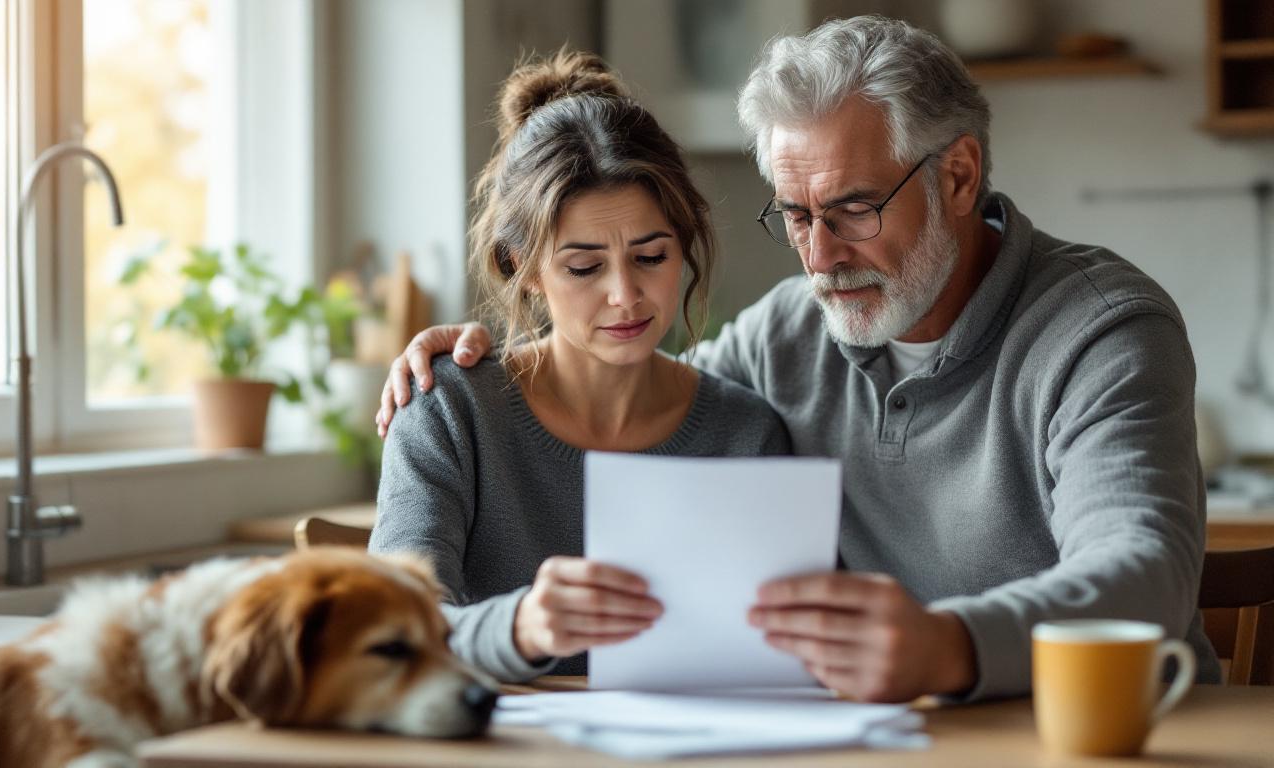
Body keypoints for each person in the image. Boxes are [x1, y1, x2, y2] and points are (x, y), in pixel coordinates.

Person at [377, 16, 1222, 702]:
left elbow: (1141, 573)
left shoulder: (1101, 329)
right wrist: (470, 361)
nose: (820, 257)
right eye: (795, 215)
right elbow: (629, 378)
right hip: (904, 737)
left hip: (1117, 734)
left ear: (960, 177)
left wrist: (948, 647)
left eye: (853, 209)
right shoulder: (791, 334)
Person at [368, 50, 791, 683]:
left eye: (652, 257)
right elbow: (392, 626)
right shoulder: (449, 410)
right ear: (524, 269)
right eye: (584, 267)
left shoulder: (746, 434)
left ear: (684, 247)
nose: (625, 295)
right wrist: (522, 628)